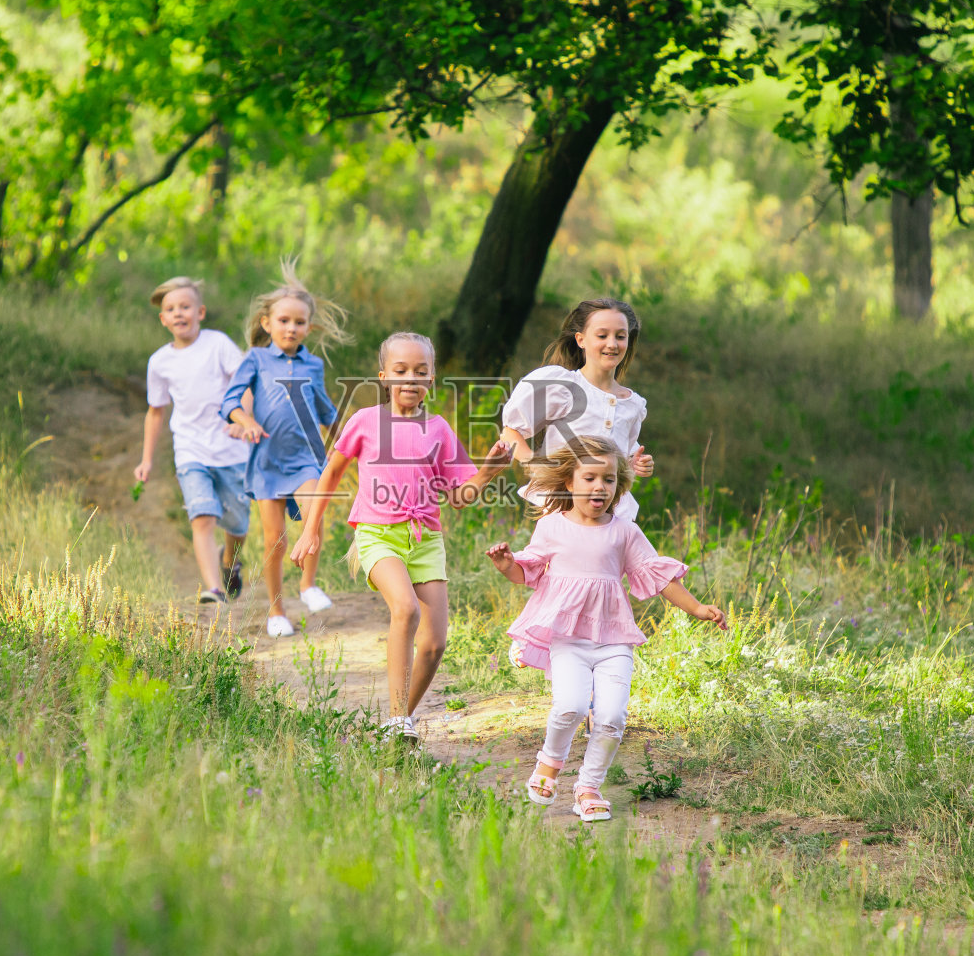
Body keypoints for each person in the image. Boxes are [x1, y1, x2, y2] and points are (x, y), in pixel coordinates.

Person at [486, 436, 725, 822]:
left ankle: (589, 787)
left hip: (615, 641)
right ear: (569, 482)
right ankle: (549, 763)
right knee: (571, 706)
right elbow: (527, 572)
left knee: (612, 718)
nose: (600, 487)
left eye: (609, 480)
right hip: (568, 640)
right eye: (590, 478)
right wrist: (506, 565)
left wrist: (697, 608)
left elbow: (657, 576)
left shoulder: (624, 531)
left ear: (619, 486)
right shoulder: (551, 527)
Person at [290, 332, 511, 741]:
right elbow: (331, 473)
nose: (410, 379)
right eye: (401, 370)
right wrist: (310, 530)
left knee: (434, 644)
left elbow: (459, 497)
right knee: (406, 610)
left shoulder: (439, 429)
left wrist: (487, 473)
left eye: (420, 372)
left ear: (432, 379)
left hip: (425, 539)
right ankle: (396, 719)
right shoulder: (365, 421)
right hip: (378, 534)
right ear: (384, 377)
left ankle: (396, 726)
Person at [220, 269, 349, 638]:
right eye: (283, 320)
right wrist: (245, 420)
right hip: (267, 461)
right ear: (267, 323)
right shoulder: (256, 360)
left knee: (313, 516)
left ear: (309, 327)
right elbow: (229, 403)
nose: (291, 328)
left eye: (299, 322)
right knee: (275, 540)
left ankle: (307, 584)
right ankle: (276, 611)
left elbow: (324, 408)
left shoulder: (313, 365)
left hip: (306, 458)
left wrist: (349, 439)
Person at [133, 276, 250, 605]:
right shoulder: (160, 362)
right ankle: (214, 589)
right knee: (202, 516)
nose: (178, 313)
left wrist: (243, 420)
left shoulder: (218, 344)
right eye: (171, 309)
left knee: (238, 524)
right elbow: (155, 412)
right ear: (163, 319)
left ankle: (229, 561)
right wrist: (146, 460)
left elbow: (245, 382)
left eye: (185, 306)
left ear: (200, 312)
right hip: (190, 449)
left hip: (231, 449)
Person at [498, 298, 653, 523]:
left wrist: (636, 464)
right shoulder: (562, 386)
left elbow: (621, 460)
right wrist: (536, 465)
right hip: (561, 507)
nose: (612, 344)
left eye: (620, 336)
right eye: (602, 336)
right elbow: (510, 432)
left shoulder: (632, 404)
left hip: (609, 512)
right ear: (581, 340)